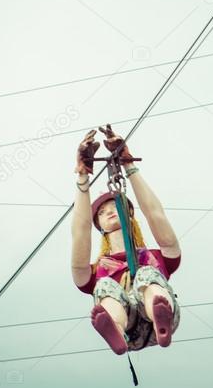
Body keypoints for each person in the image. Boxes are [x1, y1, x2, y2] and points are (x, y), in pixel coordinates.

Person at [70, 128, 182, 355]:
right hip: (130, 332)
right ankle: (115, 330)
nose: (111, 212)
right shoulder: (94, 271)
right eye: (102, 212)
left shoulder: (157, 258)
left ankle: (158, 311)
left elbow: (155, 214)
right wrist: (82, 175)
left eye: (116, 207)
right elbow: (80, 232)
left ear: (129, 214)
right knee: (104, 287)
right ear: (98, 224)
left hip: (164, 320)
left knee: (146, 274)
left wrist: (128, 164)